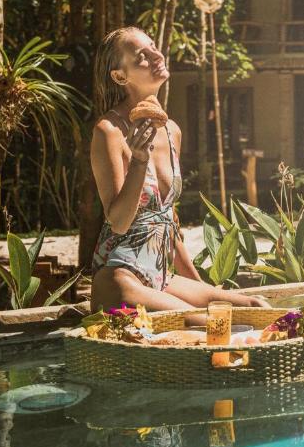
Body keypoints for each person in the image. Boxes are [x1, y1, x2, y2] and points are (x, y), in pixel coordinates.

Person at [90, 26, 270, 312]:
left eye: (153, 46)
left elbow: (168, 227)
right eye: (141, 55)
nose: (156, 54)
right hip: (120, 279)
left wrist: (206, 291)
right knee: (212, 324)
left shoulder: (172, 130)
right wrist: (138, 159)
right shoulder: (109, 131)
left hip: (162, 279)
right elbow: (119, 222)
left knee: (253, 306)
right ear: (120, 76)